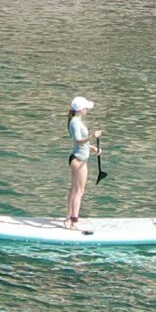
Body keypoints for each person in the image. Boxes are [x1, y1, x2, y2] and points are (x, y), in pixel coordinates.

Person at [66, 95, 100, 227]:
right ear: (80, 109)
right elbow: (78, 141)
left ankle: (70, 217)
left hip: (79, 158)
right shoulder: (75, 122)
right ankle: (74, 220)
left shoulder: (77, 120)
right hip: (78, 160)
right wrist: (92, 136)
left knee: (74, 189)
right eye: (85, 108)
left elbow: (80, 143)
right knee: (78, 191)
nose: (87, 110)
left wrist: (93, 148)